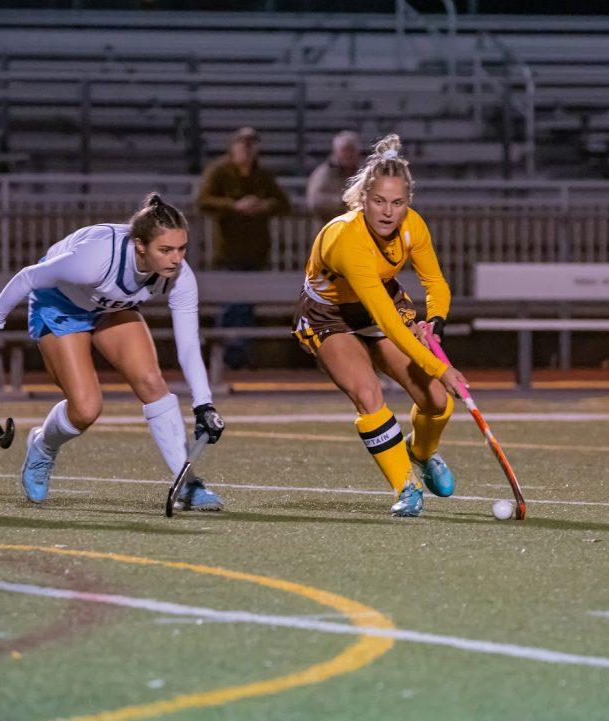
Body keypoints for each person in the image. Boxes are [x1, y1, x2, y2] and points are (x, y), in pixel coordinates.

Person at [0, 194, 227, 511]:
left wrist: (204, 404)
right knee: (86, 409)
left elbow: (188, 345)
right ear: (140, 245)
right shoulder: (94, 259)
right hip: (60, 303)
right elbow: (28, 277)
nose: (176, 259)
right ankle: (43, 446)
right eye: (166, 250)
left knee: (151, 381)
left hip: (110, 306)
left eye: (181, 248)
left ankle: (187, 484)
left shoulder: (180, 278)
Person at [292, 134, 469, 518]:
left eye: (398, 203)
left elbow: (435, 283)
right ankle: (405, 485)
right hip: (330, 318)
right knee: (369, 393)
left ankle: (418, 453)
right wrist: (441, 366)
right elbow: (387, 321)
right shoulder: (346, 238)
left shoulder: (413, 227)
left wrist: (434, 323)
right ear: (362, 198)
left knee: (438, 402)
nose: (388, 212)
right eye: (379, 202)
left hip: (382, 306)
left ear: (408, 202)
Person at [196, 126, 292, 369]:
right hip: (228, 249)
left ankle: (239, 355)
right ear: (233, 146)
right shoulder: (219, 171)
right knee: (230, 305)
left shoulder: (263, 175)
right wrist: (234, 206)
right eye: (243, 143)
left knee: (247, 306)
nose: (247, 149)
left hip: (257, 250)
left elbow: (283, 203)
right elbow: (203, 201)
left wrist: (261, 205)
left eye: (251, 144)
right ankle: (230, 355)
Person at [306, 130, 362, 222]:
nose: (348, 155)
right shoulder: (323, 173)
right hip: (329, 227)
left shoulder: (363, 173)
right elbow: (314, 201)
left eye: (351, 150)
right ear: (335, 151)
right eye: (344, 150)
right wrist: (342, 201)